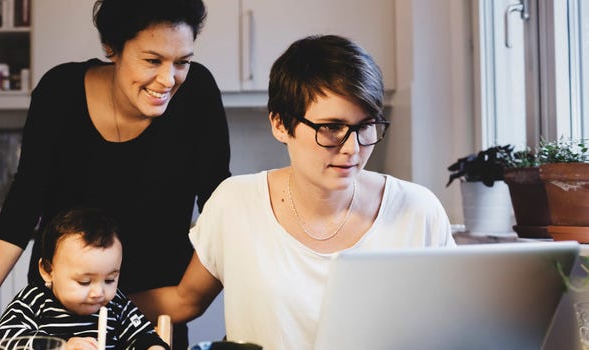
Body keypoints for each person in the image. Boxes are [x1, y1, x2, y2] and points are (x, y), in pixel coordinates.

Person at [0, 0, 231, 348]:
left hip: (149, 317)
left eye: (182, 62)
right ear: (112, 48)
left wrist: (189, 298)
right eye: (152, 60)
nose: (168, 79)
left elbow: (220, 206)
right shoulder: (59, 92)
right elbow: (24, 204)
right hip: (55, 310)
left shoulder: (197, 95)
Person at [133, 34, 456, 349]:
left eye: (365, 126)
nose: (352, 149)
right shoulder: (234, 203)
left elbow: (456, 325)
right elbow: (186, 300)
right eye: (331, 128)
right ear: (280, 124)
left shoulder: (418, 211)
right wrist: (89, 304)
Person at [0, 208, 169, 350]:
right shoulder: (32, 302)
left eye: (110, 280)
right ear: (48, 270)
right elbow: (4, 342)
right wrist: (60, 347)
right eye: (84, 282)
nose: (99, 293)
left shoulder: (117, 305)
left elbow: (143, 336)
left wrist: (153, 347)